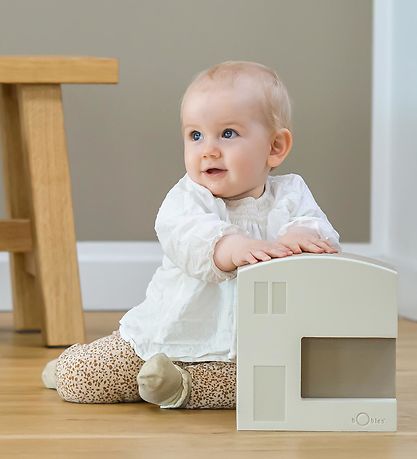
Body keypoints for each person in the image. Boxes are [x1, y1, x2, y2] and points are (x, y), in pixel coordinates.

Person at [42, 60, 340, 409]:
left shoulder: (290, 194)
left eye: (228, 134)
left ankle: (181, 388)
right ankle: (67, 369)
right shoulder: (189, 196)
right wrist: (230, 246)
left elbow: (317, 227)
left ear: (275, 147)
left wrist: (302, 235)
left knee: (271, 384)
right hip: (168, 334)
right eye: (195, 135)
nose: (208, 149)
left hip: (244, 350)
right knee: (87, 379)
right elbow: (186, 235)